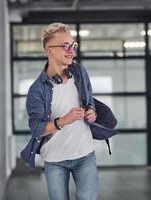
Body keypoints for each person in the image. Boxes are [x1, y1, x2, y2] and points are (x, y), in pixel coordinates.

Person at [21, 22, 98, 200]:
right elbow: (36, 128)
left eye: (73, 45)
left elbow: (90, 101)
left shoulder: (79, 72)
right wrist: (64, 120)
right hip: (55, 160)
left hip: (84, 154)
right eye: (65, 45)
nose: (71, 50)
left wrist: (91, 111)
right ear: (50, 51)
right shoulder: (37, 90)